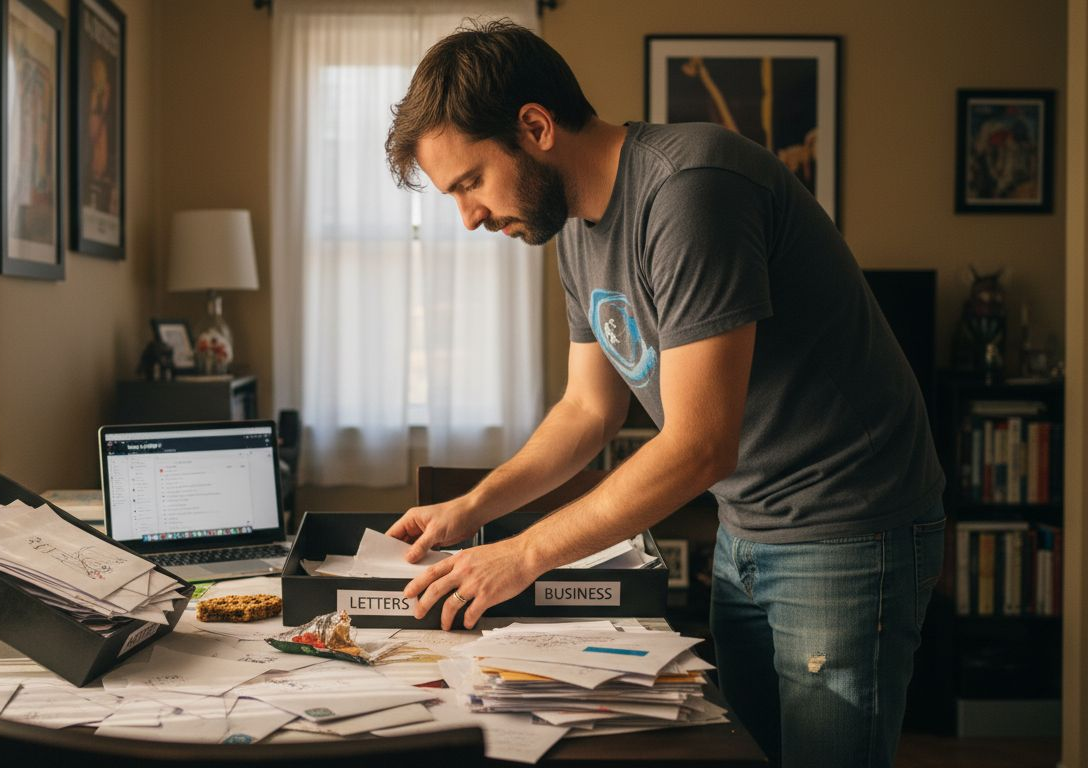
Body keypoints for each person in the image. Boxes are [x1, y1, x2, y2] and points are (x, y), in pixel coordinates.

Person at [381, 19, 945, 768]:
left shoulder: (689, 189)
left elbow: (700, 445)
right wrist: (474, 508)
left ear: (535, 126)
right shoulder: (576, 227)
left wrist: (521, 555)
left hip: (847, 530)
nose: (469, 216)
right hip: (749, 528)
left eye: (471, 182)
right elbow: (588, 410)